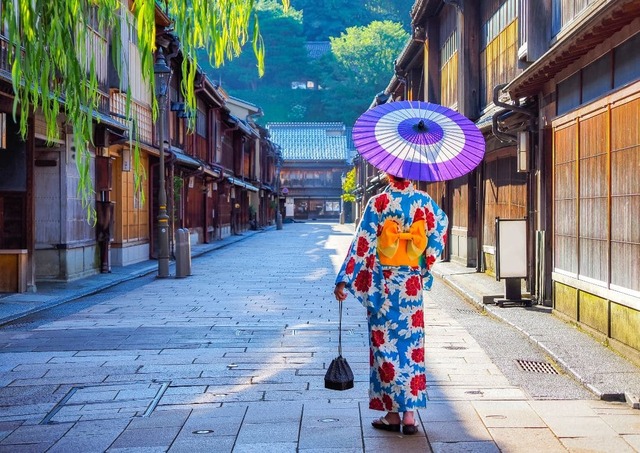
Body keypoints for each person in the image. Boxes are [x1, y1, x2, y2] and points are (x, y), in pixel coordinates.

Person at [333, 174, 448, 435]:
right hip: (410, 285)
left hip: (383, 284)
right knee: (412, 348)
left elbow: (361, 244)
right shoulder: (423, 201)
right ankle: (409, 415)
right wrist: (422, 263)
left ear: (387, 174)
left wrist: (344, 279)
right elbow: (440, 228)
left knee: (384, 347)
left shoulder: (379, 202)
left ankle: (392, 414)